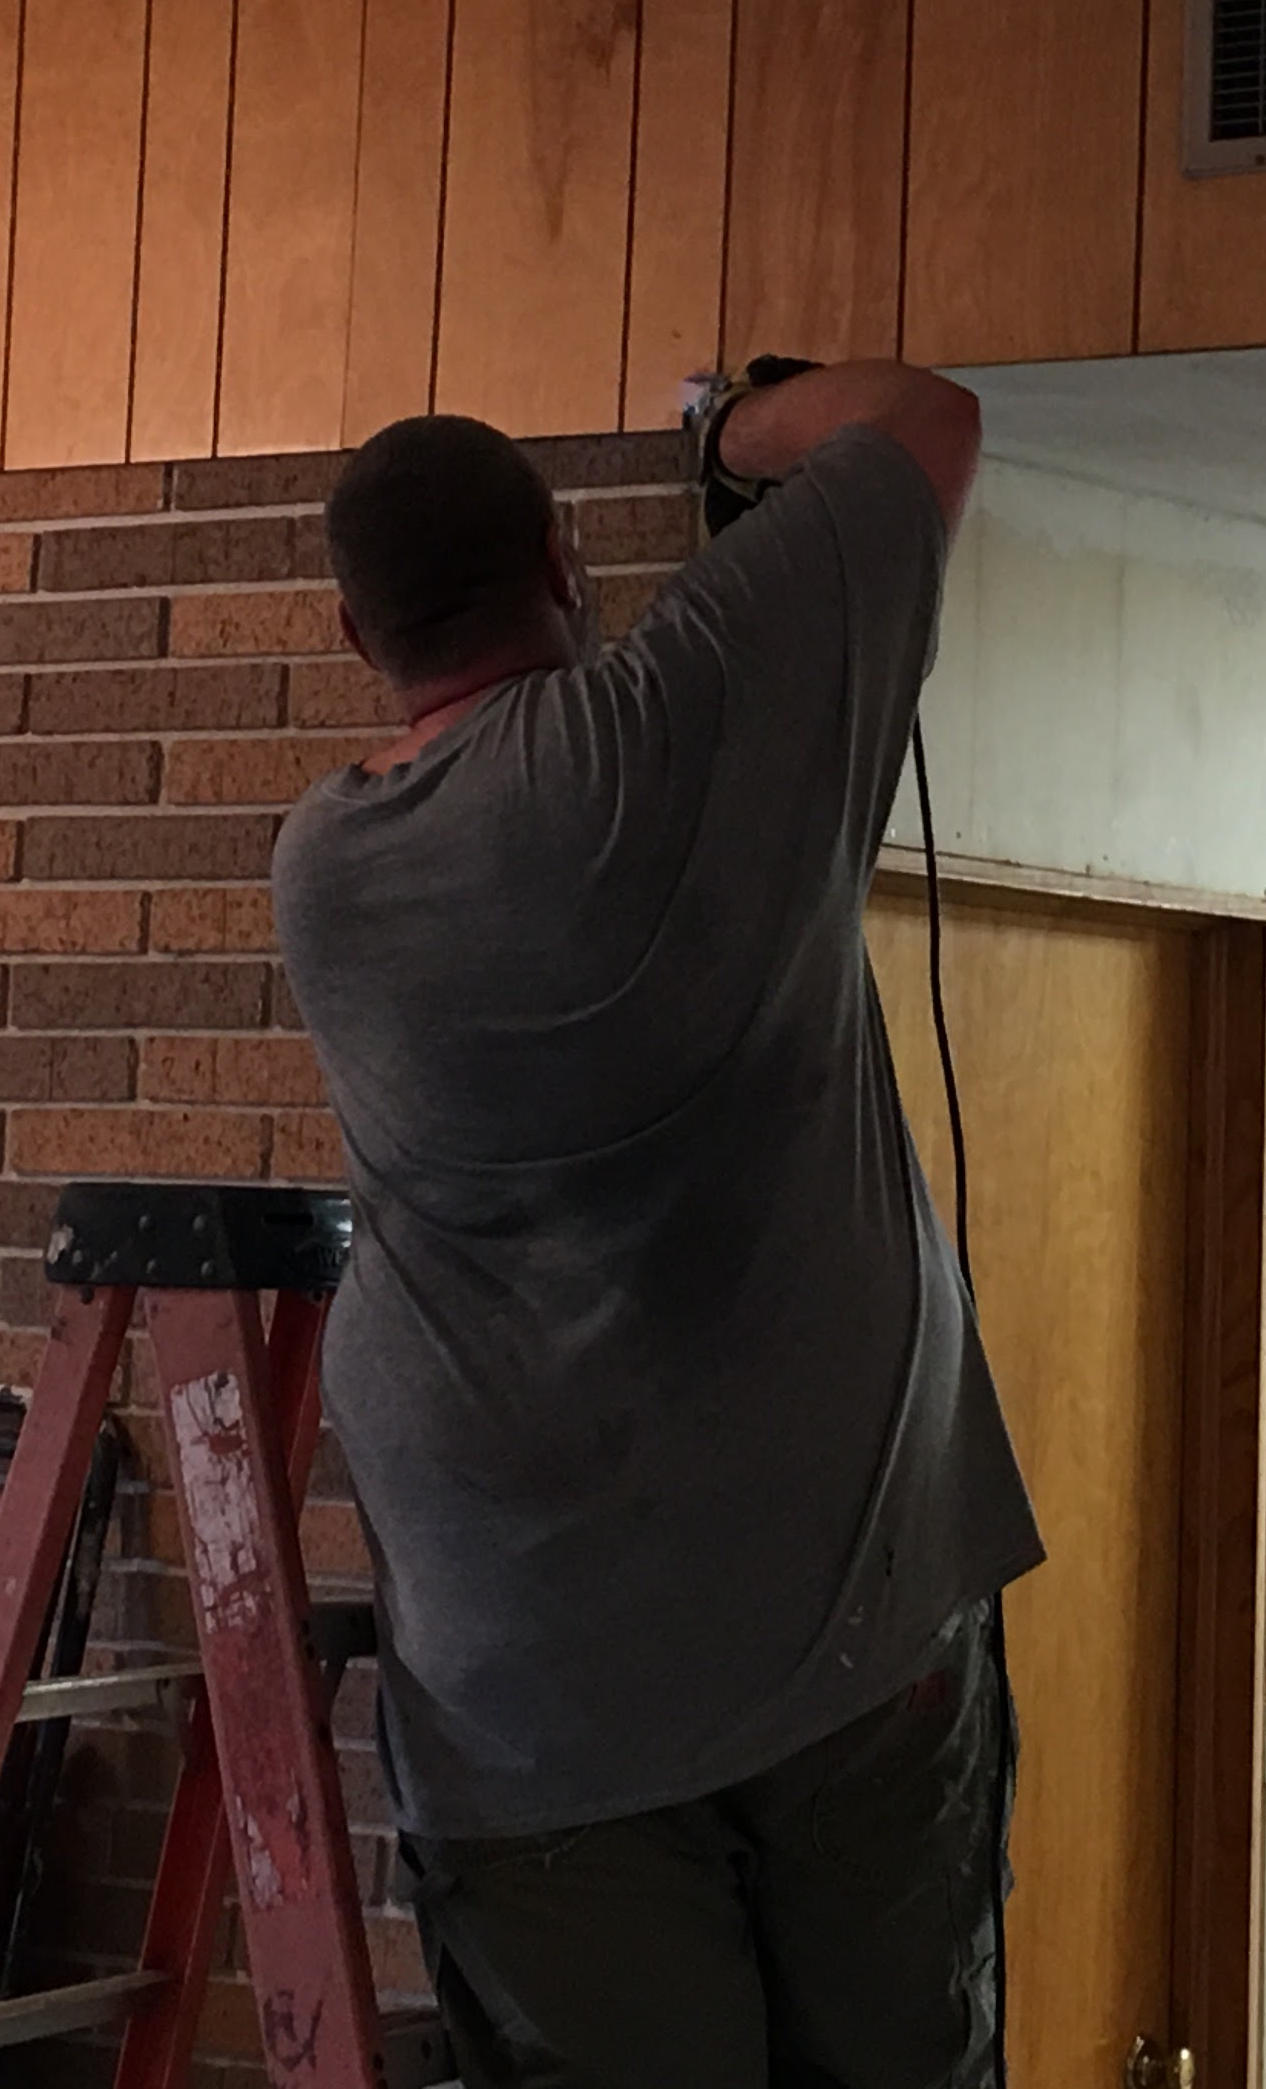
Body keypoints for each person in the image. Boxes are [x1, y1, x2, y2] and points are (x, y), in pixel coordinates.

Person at [269, 362, 1040, 2089]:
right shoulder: (695, 716)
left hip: (526, 1689)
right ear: (562, 551)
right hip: (847, 1622)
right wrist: (734, 425)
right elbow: (929, 424)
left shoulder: (323, 869)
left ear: (354, 631)